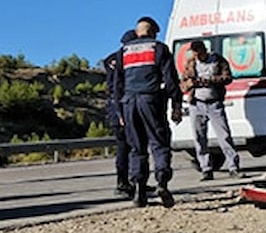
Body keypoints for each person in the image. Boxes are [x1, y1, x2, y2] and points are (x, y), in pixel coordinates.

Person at [113, 16, 183, 207]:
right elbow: (170, 80)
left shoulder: (123, 52)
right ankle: (161, 182)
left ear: (137, 32)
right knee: (159, 143)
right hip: (150, 101)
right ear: (153, 32)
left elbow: (117, 85)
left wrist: (119, 112)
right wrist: (177, 104)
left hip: (128, 103)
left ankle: (139, 190)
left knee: (137, 148)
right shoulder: (158, 48)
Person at [180, 39, 242, 180]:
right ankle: (206, 169)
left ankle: (233, 166)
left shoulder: (217, 60)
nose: (196, 55)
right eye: (194, 52)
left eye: (198, 52)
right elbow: (182, 84)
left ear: (204, 50)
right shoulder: (190, 63)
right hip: (197, 103)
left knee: (224, 136)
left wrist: (211, 80)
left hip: (214, 103)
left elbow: (228, 77)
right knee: (199, 138)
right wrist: (190, 83)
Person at [103, 30, 137, 199]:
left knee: (126, 146)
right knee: (127, 146)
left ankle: (131, 180)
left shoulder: (110, 59)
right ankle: (124, 182)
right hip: (123, 104)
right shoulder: (126, 59)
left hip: (114, 105)